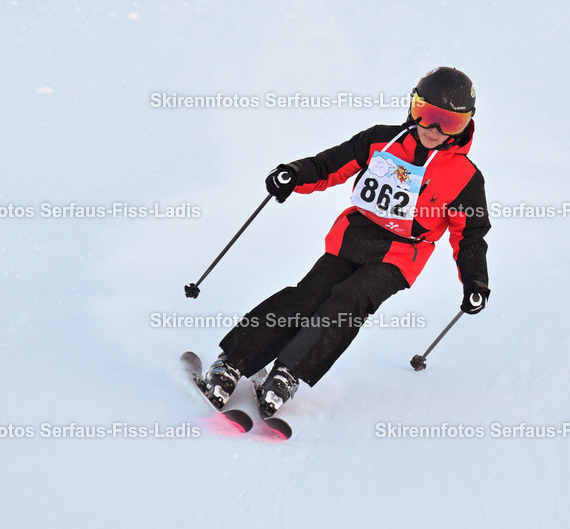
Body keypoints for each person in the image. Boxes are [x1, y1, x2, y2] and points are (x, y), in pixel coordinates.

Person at [204, 66, 491, 418]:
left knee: (348, 302)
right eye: (426, 114)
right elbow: (331, 164)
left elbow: (471, 235)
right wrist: (294, 174)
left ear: (465, 125)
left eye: (449, 123)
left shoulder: (465, 177)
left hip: (400, 256)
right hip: (352, 238)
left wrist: (475, 280)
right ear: (413, 108)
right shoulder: (380, 141)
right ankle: (233, 362)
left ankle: (288, 372)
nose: (433, 129)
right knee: (307, 296)